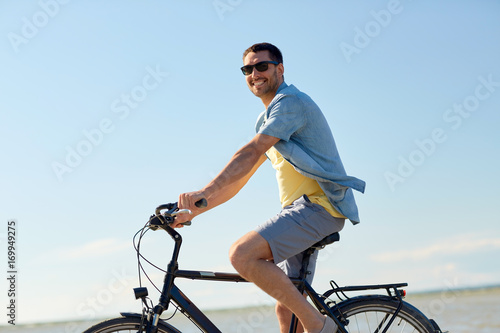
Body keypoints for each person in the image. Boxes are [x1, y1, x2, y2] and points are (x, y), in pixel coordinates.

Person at [173, 42, 365, 333]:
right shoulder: (267, 119)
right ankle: (313, 323)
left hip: (319, 206)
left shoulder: (290, 103)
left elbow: (251, 152)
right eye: (247, 69)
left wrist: (204, 190)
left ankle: (319, 325)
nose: (254, 73)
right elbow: (240, 178)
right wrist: (195, 211)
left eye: (261, 66)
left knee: (242, 254)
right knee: (287, 309)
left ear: (279, 69)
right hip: (302, 209)